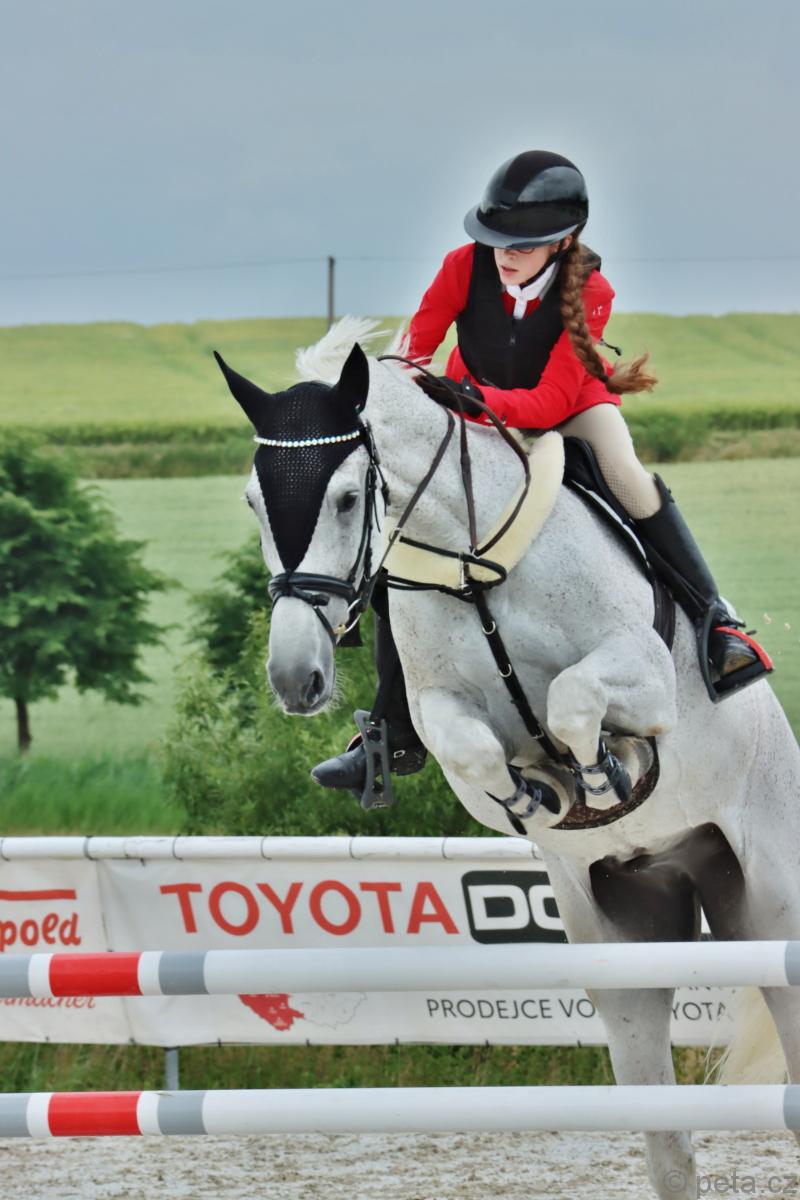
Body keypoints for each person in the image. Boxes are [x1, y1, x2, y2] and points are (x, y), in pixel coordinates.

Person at [312, 150, 771, 799]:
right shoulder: (461, 266)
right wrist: (399, 393)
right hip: (468, 404)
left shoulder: (590, 291)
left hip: (567, 409)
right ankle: (390, 733)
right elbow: (417, 346)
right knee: (408, 520)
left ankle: (717, 623)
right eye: (497, 240)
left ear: (563, 240)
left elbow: (551, 400)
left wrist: (471, 400)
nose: (504, 255)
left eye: (522, 246)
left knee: (626, 474)